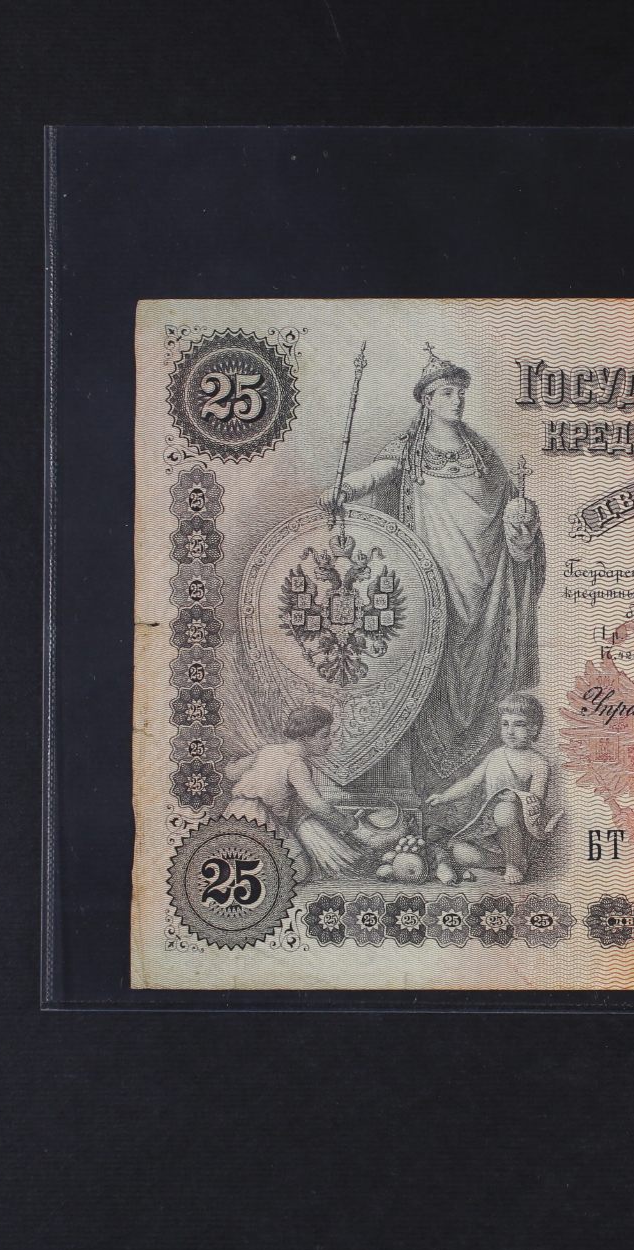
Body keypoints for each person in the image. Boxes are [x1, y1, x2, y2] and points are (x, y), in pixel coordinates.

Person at [322, 345, 544, 801]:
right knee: (427, 668)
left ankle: (476, 790)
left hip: (485, 587)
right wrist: (345, 488)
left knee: (483, 671)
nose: (457, 400)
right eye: (447, 393)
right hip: (430, 579)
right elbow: (378, 473)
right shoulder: (410, 449)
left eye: (460, 393)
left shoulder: (484, 456)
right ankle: (417, 786)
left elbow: (512, 519)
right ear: (427, 399)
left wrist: (522, 526)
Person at [426, 693, 560, 886]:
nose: (510, 731)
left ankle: (514, 863)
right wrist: (444, 797)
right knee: (460, 852)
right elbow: (470, 782)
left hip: (519, 830)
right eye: (505, 724)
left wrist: (517, 799)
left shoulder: (538, 762)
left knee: (504, 810)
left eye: (519, 724)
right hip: (490, 833)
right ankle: (504, 860)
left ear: (534, 729)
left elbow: (537, 798)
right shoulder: (495, 755)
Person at [224, 705, 372, 878]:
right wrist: (346, 823)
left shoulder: (269, 750)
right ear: (306, 737)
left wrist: (233, 763)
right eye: (325, 735)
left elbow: (231, 773)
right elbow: (317, 805)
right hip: (259, 819)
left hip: (234, 813)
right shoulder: (296, 764)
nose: (330, 741)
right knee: (298, 870)